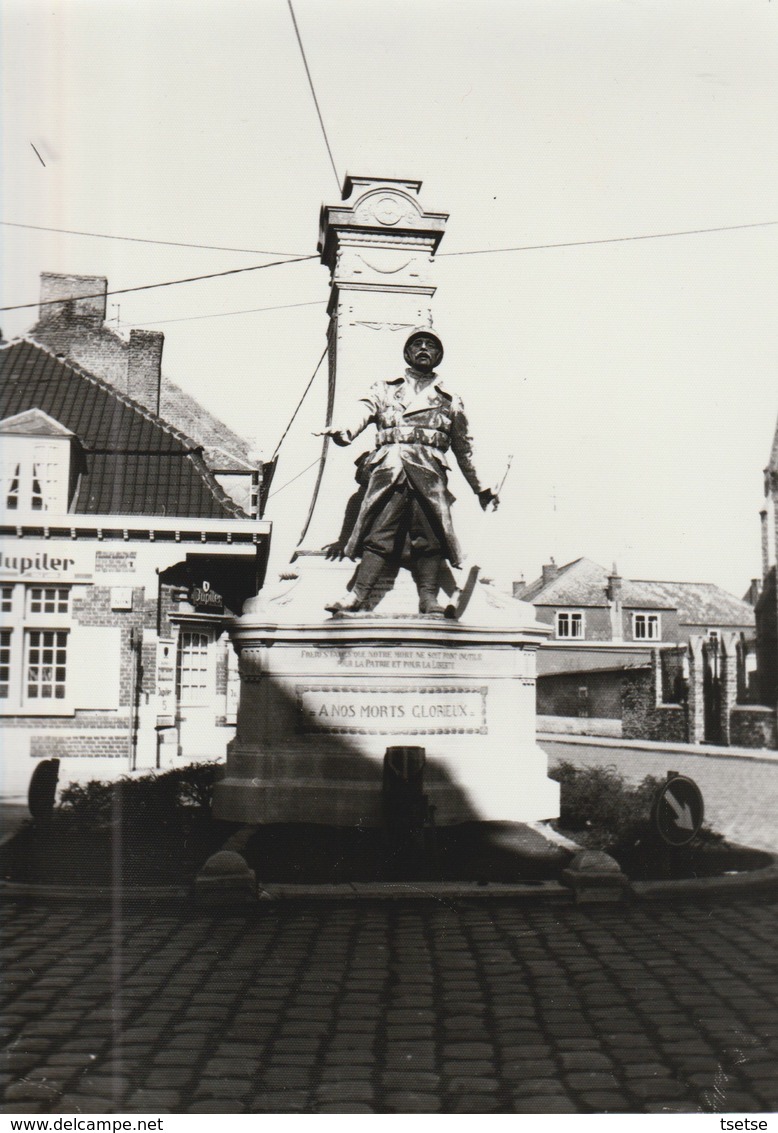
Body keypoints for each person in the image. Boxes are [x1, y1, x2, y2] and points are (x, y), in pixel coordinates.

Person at [315, 328, 498, 615]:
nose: (424, 348)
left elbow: (464, 449)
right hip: (391, 468)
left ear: (439, 355)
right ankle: (357, 595)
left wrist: (482, 488)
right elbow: (361, 411)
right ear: (407, 353)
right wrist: (344, 430)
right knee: (379, 533)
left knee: (430, 536)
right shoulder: (384, 389)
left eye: (431, 345)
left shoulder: (450, 399)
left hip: (429, 472)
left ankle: (428, 598)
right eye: (417, 344)